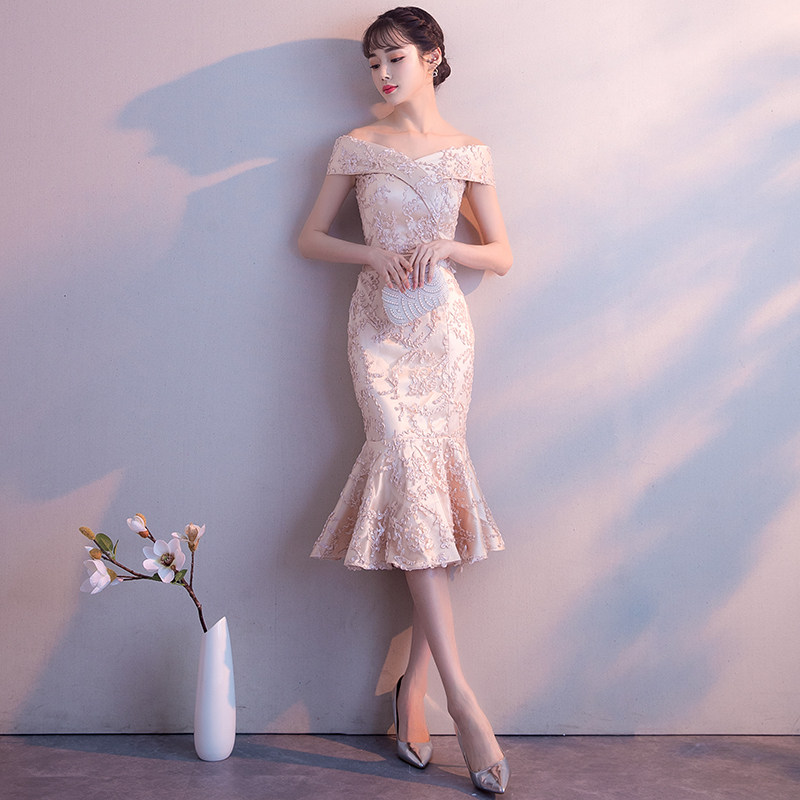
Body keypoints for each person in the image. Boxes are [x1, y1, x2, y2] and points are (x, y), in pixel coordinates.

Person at [298, 6, 512, 794]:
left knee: (434, 497)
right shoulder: (356, 145)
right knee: (412, 479)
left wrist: (451, 244)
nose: (382, 74)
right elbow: (309, 237)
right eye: (372, 63)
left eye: (394, 58)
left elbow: (502, 252)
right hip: (378, 331)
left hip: (443, 335)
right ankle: (463, 701)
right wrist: (372, 256)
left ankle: (416, 689)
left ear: (432, 55)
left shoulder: (469, 151)